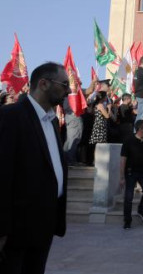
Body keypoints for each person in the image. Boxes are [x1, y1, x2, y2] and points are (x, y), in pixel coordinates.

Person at [0, 62, 69, 274]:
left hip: (44, 223)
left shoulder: (52, 121)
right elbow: (2, 174)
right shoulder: (12, 116)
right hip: (17, 228)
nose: (68, 90)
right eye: (64, 84)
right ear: (44, 83)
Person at [120, 120, 143, 229]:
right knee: (129, 197)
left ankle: (141, 210)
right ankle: (127, 220)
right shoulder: (129, 140)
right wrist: (121, 177)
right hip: (131, 172)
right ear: (140, 129)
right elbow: (123, 159)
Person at [88, 91, 111, 166]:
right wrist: (109, 109)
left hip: (97, 124)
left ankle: (95, 160)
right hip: (100, 125)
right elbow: (107, 116)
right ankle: (97, 161)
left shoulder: (96, 104)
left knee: (97, 144)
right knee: (100, 143)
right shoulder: (100, 105)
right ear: (103, 97)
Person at [62, 97, 83, 166]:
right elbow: (66, 107)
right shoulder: (70, 96)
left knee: (70, 140)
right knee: (73, 139)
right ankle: (70, 160)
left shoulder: (75, 94)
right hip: (73, 118)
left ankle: (68, 159)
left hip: (74, 118)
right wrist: (76, 107)